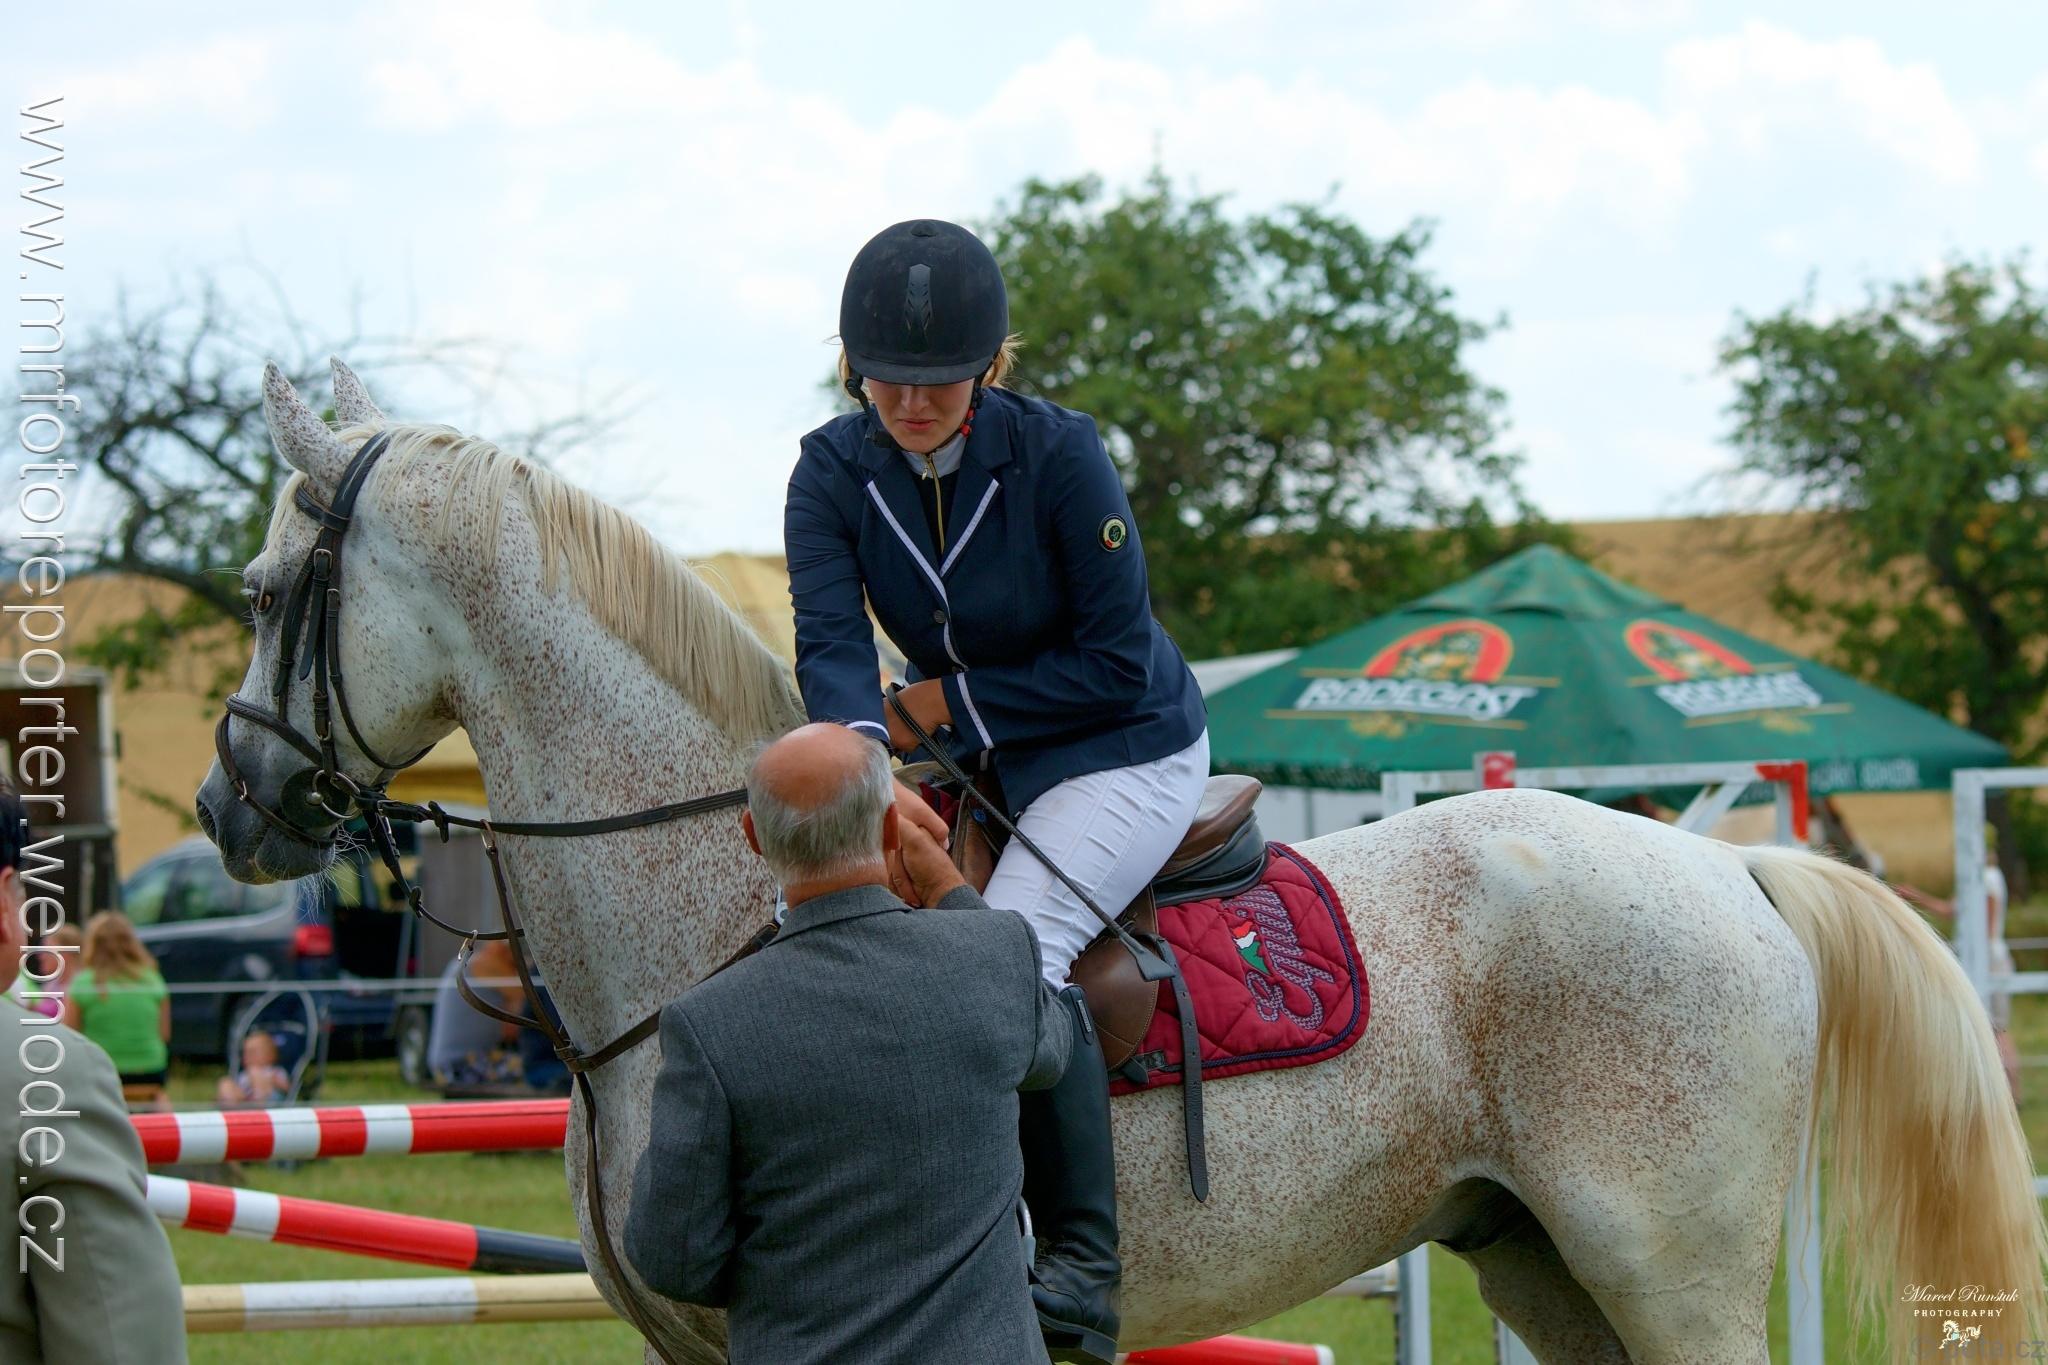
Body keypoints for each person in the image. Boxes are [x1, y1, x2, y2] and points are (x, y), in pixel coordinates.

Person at [784, 217, 1210, 1358]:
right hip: (975, 757)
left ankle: (1079, 1264)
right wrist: (864, 771)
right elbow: (831, 646)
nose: (912, 401)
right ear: (851, 365)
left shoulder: (1062, 454)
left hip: (1122, 744)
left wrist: (936, 710)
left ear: (990, 366)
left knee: (1009, 950)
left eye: (941, 378)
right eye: (888, 377)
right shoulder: (828, 471)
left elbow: (1117, 662)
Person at [625, 724, 1072, 1364]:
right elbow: (1052, 1051)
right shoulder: (997, 953)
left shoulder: (706, 1023)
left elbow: (672, 1260)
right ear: (892, 829)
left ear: (753, 837)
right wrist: (949, 891)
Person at [0, 784, 188, 1362]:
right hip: (148, 1078)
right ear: (5, 900)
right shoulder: (52, 1071)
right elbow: (117, 1339)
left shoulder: (85, 987)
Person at [64, 909, 171, 1110]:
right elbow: (164, 1034)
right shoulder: (152, 979)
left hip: (101, 1073)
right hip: (151, 1072)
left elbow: (69, 1037)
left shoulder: (83, 983)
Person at [215, 1029, 292, 1107]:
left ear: (271, 1055)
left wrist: (274, 1080)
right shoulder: (244, 1074)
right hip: (244, 1101)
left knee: (254, 1072)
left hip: (269, 1102)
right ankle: (230, 1106)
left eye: (253, 1052)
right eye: (245, 1052)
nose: (247, 1056)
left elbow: (288, 1089)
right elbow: (239, 1089)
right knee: (225, 1083)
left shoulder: (275, 1071)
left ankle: (257, 1105)